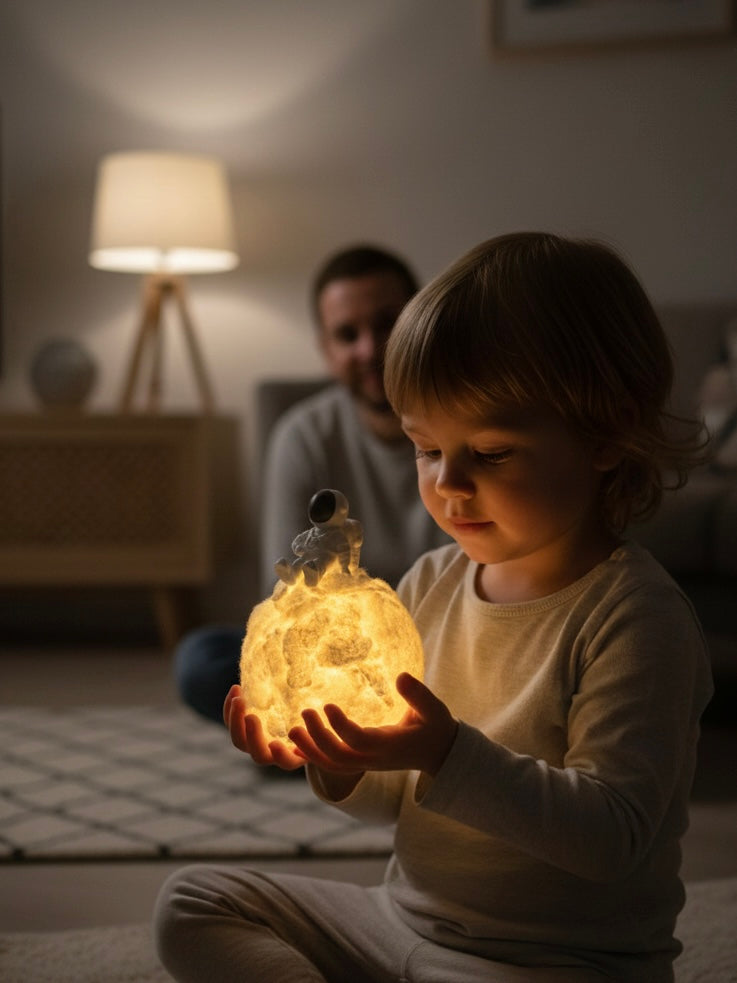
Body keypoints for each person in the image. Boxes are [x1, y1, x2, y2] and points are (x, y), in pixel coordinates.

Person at [155, 232, 713, 982]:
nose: (448, 483)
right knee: (193, 901)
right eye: (424, 448)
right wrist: (337, 758)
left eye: (490, 452)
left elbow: (610, 837)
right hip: (402, 924)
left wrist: (446, 752)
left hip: (550, 961)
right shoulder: (428, 583)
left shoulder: (634, 616)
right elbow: (392, 803)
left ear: (605, 434)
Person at [174, 244, 450, 724]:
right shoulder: (302, 436)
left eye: (386, 324)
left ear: (418, 323)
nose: (369, 349)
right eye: (347, 334)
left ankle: (335, 743)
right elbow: (282, 588)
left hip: (445, 640)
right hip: (342, 647)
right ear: (326, 349)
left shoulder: (467, 420)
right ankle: (362, 738)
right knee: (202, 660)